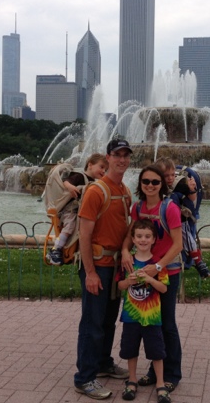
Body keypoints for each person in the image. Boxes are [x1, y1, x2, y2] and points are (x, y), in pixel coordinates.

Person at [74, 139, 133, 400]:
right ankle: (84, 378)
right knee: (92, 323)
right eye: (117, 155)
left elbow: (126, 228)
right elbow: (84, 235)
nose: (122, 160)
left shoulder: (125, 191)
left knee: (108, 321)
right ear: (108, 158)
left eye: (126, 155)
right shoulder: (96, 191)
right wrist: (90, 273)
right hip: (97, 266)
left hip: (115, 266)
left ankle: (103, 363)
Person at [122, 165, 183, 394]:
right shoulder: (138, 207)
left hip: (166, 272)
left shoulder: (170, 208)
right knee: (149, 324)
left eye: (155, 182)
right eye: (146, 181)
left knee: (166, 323)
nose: (150, 185)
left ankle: (171, 373)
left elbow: (178, 244)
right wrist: (125, 251)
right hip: (144, 271)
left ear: (162, 185)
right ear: (140, 184)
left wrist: (158, 267)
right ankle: (154, 372)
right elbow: (131, 234)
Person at [117, 219, 171, 403]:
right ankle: (132, 380)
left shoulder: (157, 264)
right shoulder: (128, 261)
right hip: (131, 316)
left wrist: (149, 278)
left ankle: (160, 383)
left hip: (152, 317)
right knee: (130, 349)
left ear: (154, 239)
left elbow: (164, 288)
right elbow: (120, 285)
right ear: (133, 239)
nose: (143, 240)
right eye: (139, 236)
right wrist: (129, 281)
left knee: (157, 351)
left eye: (147, 236)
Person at [46, 153, 108, 265]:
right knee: (70, 226)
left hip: (79, 212)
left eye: (106, 169)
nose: (104, 171)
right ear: (90, 165)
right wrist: (70, 187)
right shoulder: (79, 176)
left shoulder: (94, 183)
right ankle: (55, 249)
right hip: (69, 211)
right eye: (101, 167)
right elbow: (66, 181)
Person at [155, 157, 210, 278]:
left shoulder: (179, 184)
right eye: (166, 176)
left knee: (187, 236)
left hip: (180, 219)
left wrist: (192, 189)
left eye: (172, 174)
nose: (170, 178)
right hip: (162, 220)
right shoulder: (155, 186)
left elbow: (192, 198)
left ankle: (198, 261)